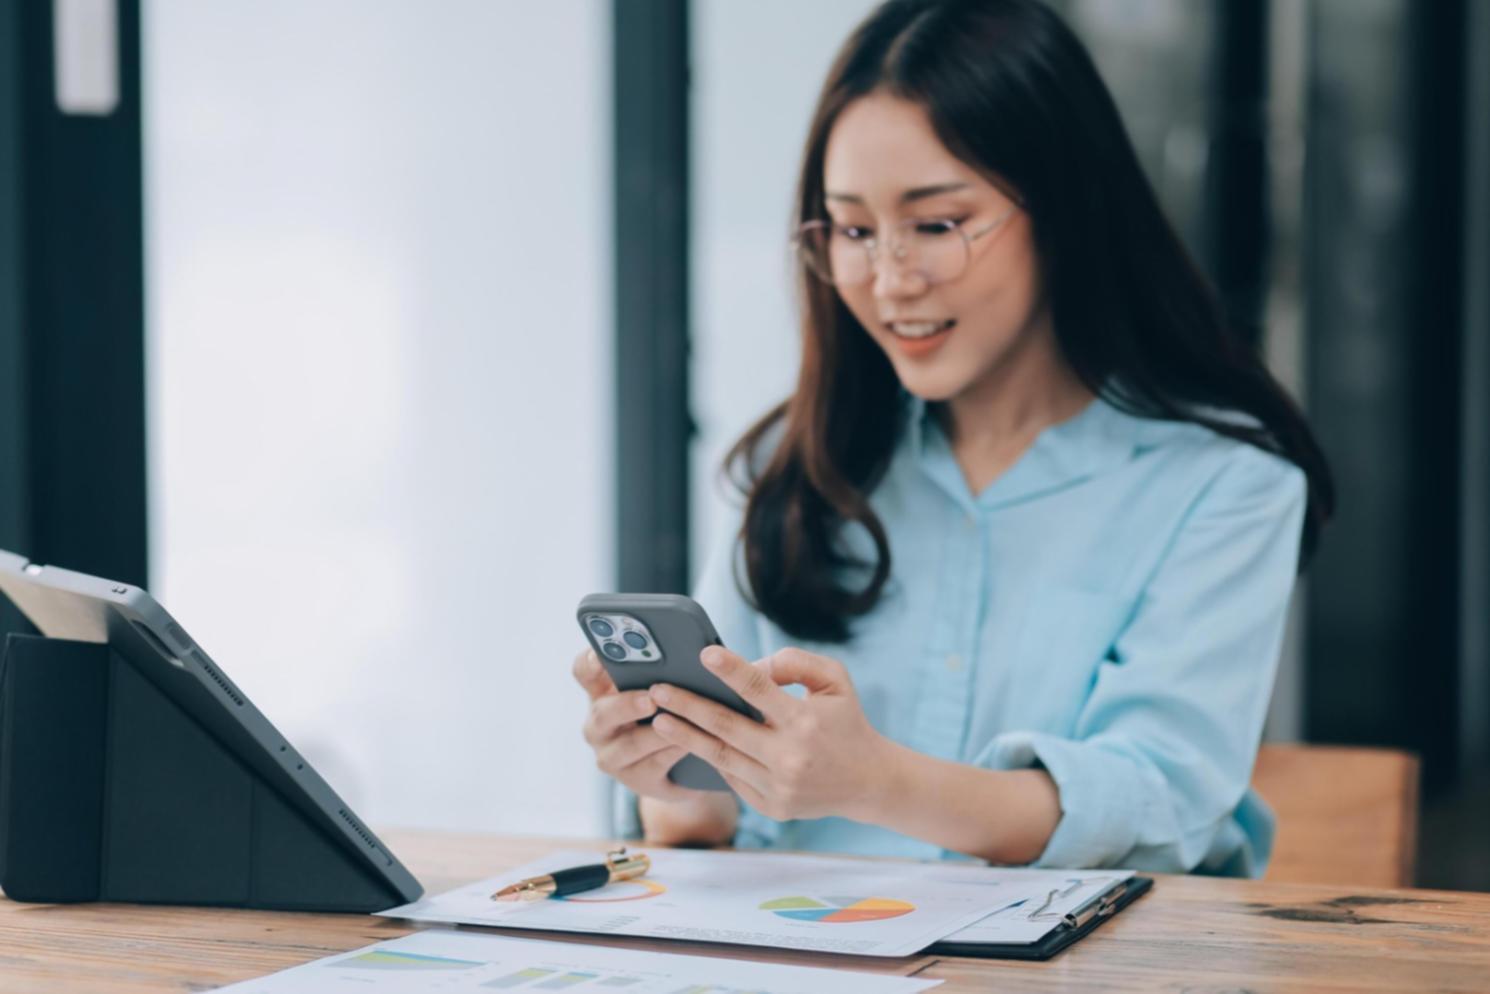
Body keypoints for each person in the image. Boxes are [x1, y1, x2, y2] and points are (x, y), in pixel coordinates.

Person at [573, 0, 1332, 875]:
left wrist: (871, 781)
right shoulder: (799, 462)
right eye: (855, 230)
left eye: (936, 223)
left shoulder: (1226, 483)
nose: (890, 278)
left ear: (1064, 212)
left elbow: (1159, 808)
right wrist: (683, 779)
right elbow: (705, 838)